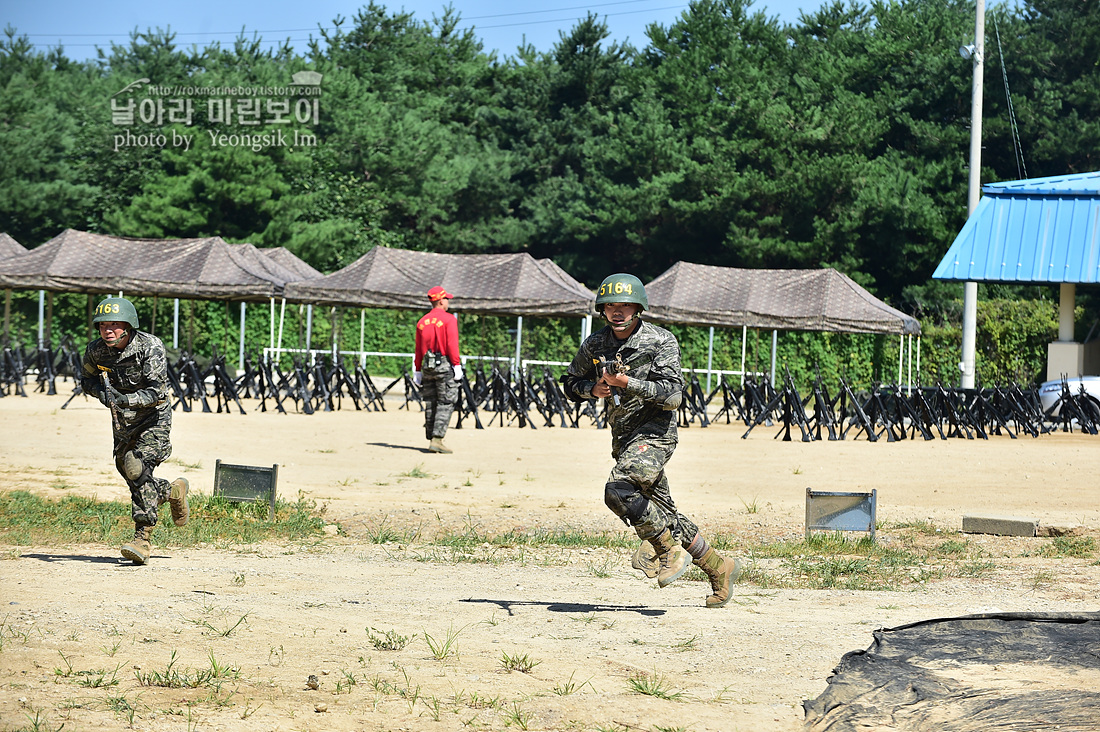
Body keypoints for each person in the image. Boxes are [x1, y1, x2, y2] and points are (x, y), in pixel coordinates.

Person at [560, 274, 741, 607]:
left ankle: (666, 550)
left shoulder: (660, 341)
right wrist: (591, 389)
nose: (618, 312)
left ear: (638, 308)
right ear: (603, 309)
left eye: (625, 305)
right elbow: (569, 382)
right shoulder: (595, 344)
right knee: (664, 514)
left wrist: (627, 383)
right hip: (624, 438)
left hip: (655, 435)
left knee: (617, 491)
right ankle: (719, 568)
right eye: (611, 305)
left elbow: (673, 397)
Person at [80, 296, 189, 565]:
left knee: (135, 466)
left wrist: (125, 399)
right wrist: (101, 394)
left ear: (129, 326)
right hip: (123, 422)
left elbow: (156, 390)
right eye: (103, 325)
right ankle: (170, 491)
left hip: (154, 418)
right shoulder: (96, 351)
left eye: (115, 324)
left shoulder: (149, 346)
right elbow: (87, 380)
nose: (108, 330)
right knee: (132, 474)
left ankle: (142, 538)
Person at [413, 286, 462, 454]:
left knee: (431, 401)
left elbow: (418, 348)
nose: (448, 302)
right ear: (441, 301)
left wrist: (417, 369)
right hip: (444, 365)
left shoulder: (422, 321)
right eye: (447, 299)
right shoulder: (449, 320)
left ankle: (431, 436)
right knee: (446, 401)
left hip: (427, 366)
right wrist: (457, 365)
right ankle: (437, 439)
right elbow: (451, 344)